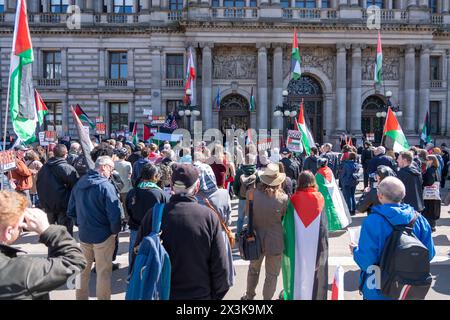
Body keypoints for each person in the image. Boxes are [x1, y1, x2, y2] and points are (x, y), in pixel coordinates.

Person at [133, 164, 231, 300]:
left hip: (160, 294)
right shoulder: (208, 217)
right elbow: (221, 268)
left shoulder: (154, 214)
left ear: (172, 187)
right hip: (199, 295)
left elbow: (137, 256)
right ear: (197, 188)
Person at [351, 177, 435, 300]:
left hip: (378, 288)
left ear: (379, 195)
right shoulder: (420, 220)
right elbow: (429, 254)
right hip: (409, 289)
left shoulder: (372, 221)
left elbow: (366, 261)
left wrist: (354, 251)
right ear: (404, 195)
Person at [0, 191, 87, 300]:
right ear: (9, 232)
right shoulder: (23, 271)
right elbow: (75, 262)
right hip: (61, 209)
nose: (21, 230)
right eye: (20, 227)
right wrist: (46, 229)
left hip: (51, 207)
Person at [67, 156, 122, 300]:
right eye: (111, 168)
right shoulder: (106, 186)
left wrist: (81, 224)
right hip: (103, 236)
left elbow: (71, 210)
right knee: (103, 273)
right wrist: (114, 231)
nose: (111, 172)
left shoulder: (80, 183)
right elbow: (114, 213)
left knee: (82, 272)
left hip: (85, 234)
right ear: (103, 167)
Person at [241, 163, 288, 300]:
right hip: (275, 241)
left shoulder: (251, 194)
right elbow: (283, 217)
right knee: (272, 275)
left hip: (254, 239)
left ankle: (249, 296)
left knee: (253, 270)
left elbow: (247, 214)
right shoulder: (283, 199)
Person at [282, 171, 328, 300]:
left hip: (297, 244)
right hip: (315, 245)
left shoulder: (293, 200)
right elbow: (324, 227)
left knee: (298, 271)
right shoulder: (320, 198)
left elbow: (287, 225)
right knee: (313, 274)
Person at [126, 163, 169, 269]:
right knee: (153, 261)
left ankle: (132, 276)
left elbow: (128, 211)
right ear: (155, 176)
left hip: (135, 229)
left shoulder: (132, 192)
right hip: (154, 232)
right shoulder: (161, 194)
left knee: (135, 257)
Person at [36, 144, 79, 235]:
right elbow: (76, 187)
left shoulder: (44, 168)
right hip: (62, 206)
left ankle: (55, 247)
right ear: (66, 154)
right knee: (64, 233)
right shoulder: (66, 168)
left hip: (49, 205)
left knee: (54, 233)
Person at [233, 146, 258, 236]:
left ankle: (239, 234)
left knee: (240, 218)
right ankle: (250, 234)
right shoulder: (256, 172)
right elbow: (259, 186)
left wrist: (238, 195)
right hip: (253, 198)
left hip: (243, 198)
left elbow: (235, 186)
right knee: (251, 217)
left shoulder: (240, 171)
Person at [422, 155, 441, 232]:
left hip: (430, 193)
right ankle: (432, 225)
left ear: (431, 161)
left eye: (427, 160)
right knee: (433, 209)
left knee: (429, 209)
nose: (425, 161)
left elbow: (430, 182)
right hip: (434, 192)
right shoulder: (436, 168)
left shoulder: (430, 170)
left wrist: (423, 183)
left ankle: (430, 226)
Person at [114, 147, 133, 222]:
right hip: (126, 186)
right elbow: (130, 174)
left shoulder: (114, 163)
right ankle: (126, 220)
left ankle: (118, 219)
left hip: (116, 186)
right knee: (125, 205)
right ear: (125, 156)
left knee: (116, 204)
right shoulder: (128, 164)